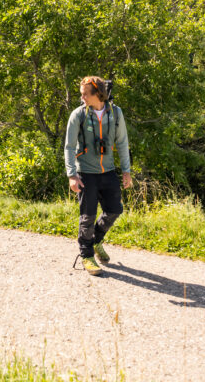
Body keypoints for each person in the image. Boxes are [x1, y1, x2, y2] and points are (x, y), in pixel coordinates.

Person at [64, 76, 132, 276]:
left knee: (114, 209)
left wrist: (126, 171)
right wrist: (72, 175)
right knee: (88, 215)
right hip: (86, 172)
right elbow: (69, 147)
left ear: (98, 94)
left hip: (108, 171)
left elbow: (122, 143)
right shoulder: (78, 115)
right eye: (81, 94)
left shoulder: (115, 113)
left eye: (85, 94)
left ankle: (95, 240)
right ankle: (86, 255)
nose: (82, 98)